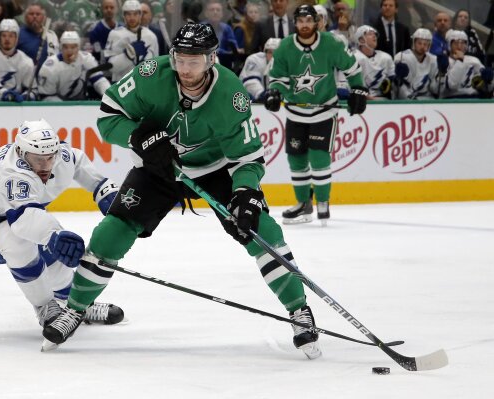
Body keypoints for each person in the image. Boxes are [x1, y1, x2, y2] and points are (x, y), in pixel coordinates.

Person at [42, 23, 322, 361]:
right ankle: (75, 309)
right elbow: (108, 116)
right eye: (179, 59)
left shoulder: (230, 94)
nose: (185, 69)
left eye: (194, 61)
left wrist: (246, 191)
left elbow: (248, 157)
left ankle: (298, 310)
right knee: (112, 230)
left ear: (211, 59)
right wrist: (138, 137)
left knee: (262, 229)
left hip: (215, 170)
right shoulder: (150, 74)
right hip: (158, 169)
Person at [0, 118, 125, 330]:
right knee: (20, 238)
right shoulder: (12, 173)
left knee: (46, 235)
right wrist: (54, 237)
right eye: (38, 159)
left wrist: (103, 188)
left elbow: (76, 161)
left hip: (1, 213)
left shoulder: (57, 155)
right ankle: (46, 308)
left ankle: (77, 304)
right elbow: (24, 220)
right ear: (22, 153)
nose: (46, 165)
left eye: (50, 158)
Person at [265, 5, 367, 225]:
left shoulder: (331, 44)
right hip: (295, 112)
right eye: (300, 21)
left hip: (324, 111)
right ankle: (303, 204)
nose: (304, 25)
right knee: (296, 159)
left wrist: (358, 89)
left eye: (308, 20)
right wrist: (275, 93)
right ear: (295, 23)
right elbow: (278, 78)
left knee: (319, 157)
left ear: (317, 22)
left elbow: (351, 67)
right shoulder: (285, 47)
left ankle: (323, 202)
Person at [38, 30, 111, 100]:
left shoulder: (86, 59)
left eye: (73, 47)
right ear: (61, 48)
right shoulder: (50, 67)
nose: (69, 51)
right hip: (59, 107)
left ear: (78, 48)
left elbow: (99, 80)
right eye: (66, 47)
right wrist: (66, 108)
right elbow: (46, 97)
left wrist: (110, 96)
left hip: (81, 103)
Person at [0, 19, 36, 101]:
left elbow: (32, 90)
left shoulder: (26, 61)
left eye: (11, 36)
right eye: (4, 35)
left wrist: (25, 97)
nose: (7, 39)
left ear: (17, 38)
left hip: (14, 106)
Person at [104, 0, 158, 83]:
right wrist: (126, 57)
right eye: (128, 14)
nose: (132, 18)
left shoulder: (151, 36)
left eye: (135, 14)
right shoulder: (114, 34)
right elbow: (109, 67)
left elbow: (155, 65)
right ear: (123, 15)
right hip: (120, 84)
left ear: (140, 15)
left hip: (144, 84)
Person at [439, 30, 493, 99]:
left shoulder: (474, 60)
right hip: (450, 100)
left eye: (463, 43)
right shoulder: (444, 61)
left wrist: (489, 81)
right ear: (449, 45)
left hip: (473, 99)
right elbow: (452, 85)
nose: (459, 46)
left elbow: (486, 88)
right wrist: (460, 61)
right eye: (456, 43)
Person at [393, 28, 439, 100]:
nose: (422, 46)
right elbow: (397, 85)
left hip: (426, 98)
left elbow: (434, 86)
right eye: (419, 43)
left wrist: (441, 76)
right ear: (414, 42)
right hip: (406, 99)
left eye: (425, 44)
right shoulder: (401, 57)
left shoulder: (433, 59)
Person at [352, 25, 395, 100]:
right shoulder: (354, 58)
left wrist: (392, 82)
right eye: (370, 34)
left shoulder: (385, 58)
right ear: (361, 40)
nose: (374, 36)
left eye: (375, 34)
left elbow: (393, 84)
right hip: (359, 101)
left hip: (382, 100)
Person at [17, 2, 59, 70]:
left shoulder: (51, 36)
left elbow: (56, 58)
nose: (34, 16)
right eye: (31, 14)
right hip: (24, 75)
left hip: (45, 76)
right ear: (25, 17)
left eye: (38, 14)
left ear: (44, 17)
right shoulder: (18, 34)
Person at [239, 37, 280, 101]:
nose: (273, 55)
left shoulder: (289, 63)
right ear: (265, 52)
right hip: (249, 99)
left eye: (276, 52)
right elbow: (251, 82)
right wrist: (263, 94)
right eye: (270, 52)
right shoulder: (254, 60)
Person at [88, 0, 120, 64]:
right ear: (102, 9)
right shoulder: (95, 29)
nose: (109, 10)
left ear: (117, 9)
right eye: (106, 7)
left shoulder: (122, 28)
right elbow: (97, 53)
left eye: (112, 7)